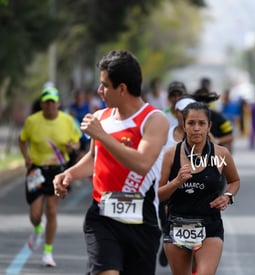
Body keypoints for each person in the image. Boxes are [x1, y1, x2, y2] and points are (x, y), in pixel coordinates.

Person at [53, 50, 169, 275]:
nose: (99, 91)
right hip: (102, 216)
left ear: (122, 89)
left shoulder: (154, 120)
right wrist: (69, 174)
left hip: (141, 221)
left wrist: (103, 136)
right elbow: (94, 158)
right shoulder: (101, 118)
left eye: (105, 85)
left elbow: (143, 163)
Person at [158, 101, 240, 275]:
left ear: (209, 126)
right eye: (191, 123)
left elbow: (234, 181)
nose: (196, 128)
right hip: (177, 225)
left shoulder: (220, 154)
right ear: (184, 125)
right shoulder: (171, 154)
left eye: (201, 123)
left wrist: (227, 196)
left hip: (209, 226)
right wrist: (176, 182)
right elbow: (158, 194)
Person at [18, 86, 81, 267]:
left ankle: (47, 252)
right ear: (42, 104)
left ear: (58, 103)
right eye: (47, 102)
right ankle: (37, 229)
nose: (50, 105)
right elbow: (22, 140)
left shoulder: (68, 121)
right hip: (36, 171)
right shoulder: (32, 121)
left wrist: (73, 148)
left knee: (52, 209)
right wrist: (26, 157)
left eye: (53, 101)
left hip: (58, 169)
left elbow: (78, 143)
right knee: (35, 214)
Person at [158, 95, 196, 267]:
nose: (187, 116)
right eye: (183, 112)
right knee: (167, 221)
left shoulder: (201, 135)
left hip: (195, 191)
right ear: (177, 113)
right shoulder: (166, 134)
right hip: (169, 188)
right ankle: (168, 240)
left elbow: (218, 158)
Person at [193, 77, 234, 153]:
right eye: (199, 101)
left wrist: (216, 141)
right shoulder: (187, 118)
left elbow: (230, 136)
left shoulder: (218, 118)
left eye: (205, 101)